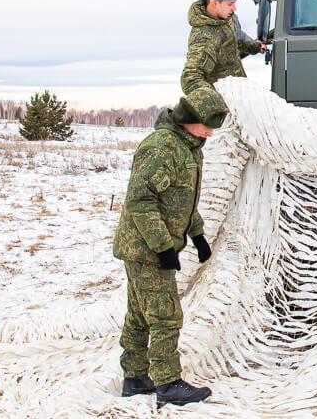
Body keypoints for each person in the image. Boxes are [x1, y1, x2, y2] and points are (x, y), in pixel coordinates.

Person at [112, 96, 221, 407]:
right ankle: (168, 383)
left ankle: (135, 377)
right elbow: (140, 201)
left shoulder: (188, 147)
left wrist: (197, 235)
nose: (211, 133)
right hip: (145, 248)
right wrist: (163, 247)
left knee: (139, 315)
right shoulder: (162, 147)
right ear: (189, 119)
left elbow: (179, 201)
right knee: (165, 316)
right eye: (207, 126)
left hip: (147, 246)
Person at [181, 0, 266, 124]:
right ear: (214, 2)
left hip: (240, 101)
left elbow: (237, 36)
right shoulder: (204, 37)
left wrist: (255, 46)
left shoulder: (228, 18)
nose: (234, 8)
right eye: (230, 3)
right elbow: (191, 78)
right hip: (224, 114)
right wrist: (217, 106)